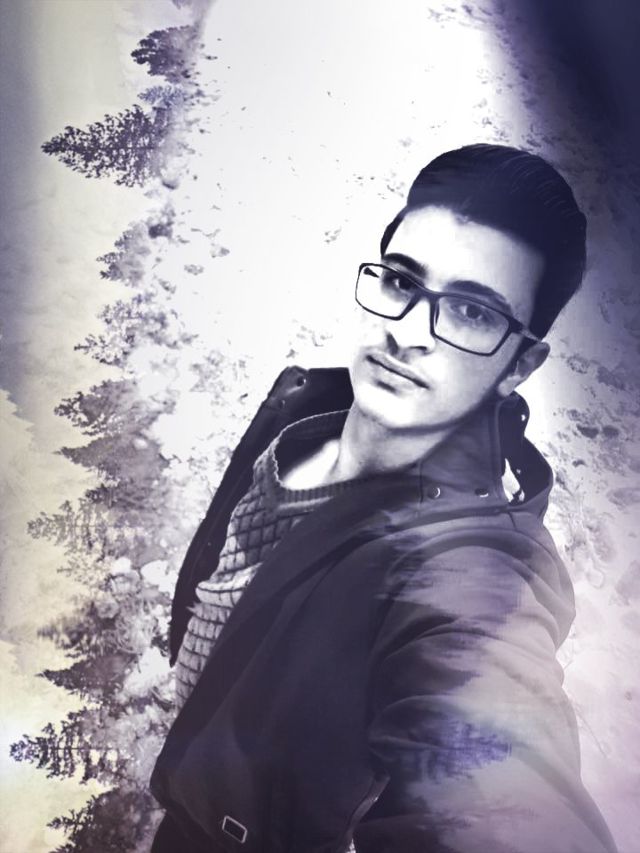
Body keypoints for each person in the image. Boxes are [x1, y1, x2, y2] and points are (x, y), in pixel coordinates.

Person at [150, 144, 618, 853]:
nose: (406, 333)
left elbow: (499, 787)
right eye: (401, 281)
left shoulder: (468, 579)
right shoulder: (308, 409)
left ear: (519, 364)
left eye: (470, 312)